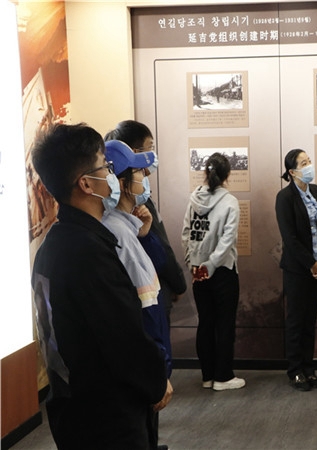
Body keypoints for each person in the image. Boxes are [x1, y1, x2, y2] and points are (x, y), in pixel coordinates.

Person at [30, 123, 168, 450]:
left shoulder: (55, 245)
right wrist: (156, 382)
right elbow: (122, 334)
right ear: (86, 183)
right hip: (106, 416)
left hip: (75, 406)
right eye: (105, 167)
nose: (111, 175)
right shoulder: (88, 252)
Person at [102, 140, 173, 450]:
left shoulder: (128, 227)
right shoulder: (117, 231)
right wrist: (158, 372)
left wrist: (144, 231)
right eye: (139, 173)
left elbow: (155, 267)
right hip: (144, 369)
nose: (145, 178)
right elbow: (145, 312)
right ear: (122, 183)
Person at [105, 120, 187, 326]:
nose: (144, 172)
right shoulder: (120, 222)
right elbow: (160, 252)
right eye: (150, 147)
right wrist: (178, 283)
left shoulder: (137, 203)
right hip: (150, 298)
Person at [181, 153, 245, 391]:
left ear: (205, 173)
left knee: (205, 323)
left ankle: (207, 376)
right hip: (223, 271)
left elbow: (186, 233)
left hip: (198, 271)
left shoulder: (194, 199)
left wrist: (193, 263)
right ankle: (223, 377)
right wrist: (212, 265)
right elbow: (227, 240)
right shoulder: (230, 202)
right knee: (224, 324)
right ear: (227, 175)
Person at [275, 149, 317, 391]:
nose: (309, 166)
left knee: (310, 320)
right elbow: (290, 238)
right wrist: (311, 263)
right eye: (303, 163)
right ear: (292, 171)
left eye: (309, 161)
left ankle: (309, 369)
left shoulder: (315, 191)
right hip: (297, 269)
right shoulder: (284, 197)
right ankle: (295, 370)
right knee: (296, 320)